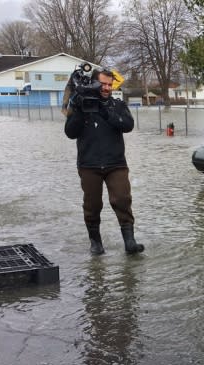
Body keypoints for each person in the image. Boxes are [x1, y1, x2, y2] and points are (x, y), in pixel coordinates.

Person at [64, 68, 144, 255]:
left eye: (110, 84)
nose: (107, 88)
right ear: (94, 83)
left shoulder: (117, 105)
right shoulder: (79, 105)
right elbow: (70, 133)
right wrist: (81, 110)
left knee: (122, 199)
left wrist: (105, 111)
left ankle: (130, 242)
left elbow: (128, 125)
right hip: (88, 165)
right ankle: (96, 243)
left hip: (116, 163)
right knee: (92, 205)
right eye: (103, 84)